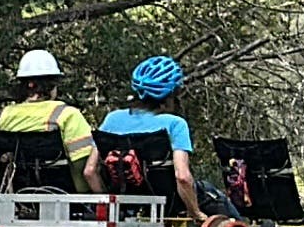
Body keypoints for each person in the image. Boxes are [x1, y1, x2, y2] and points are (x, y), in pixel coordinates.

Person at [97, 54, 227, 216]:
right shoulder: (174, 124)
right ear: (171, 94)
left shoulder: (112, 120)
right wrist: (196, 213)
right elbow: (182, 177)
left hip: (123, 202)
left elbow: (90, 171)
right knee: (214, 195)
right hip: (170, 202)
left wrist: (108, 204)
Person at [0, 47, 102, 191]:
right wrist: (84, 204)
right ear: (53, 84)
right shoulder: (67, 116)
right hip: (64, 204)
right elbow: (82, 168)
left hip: (17, 204)